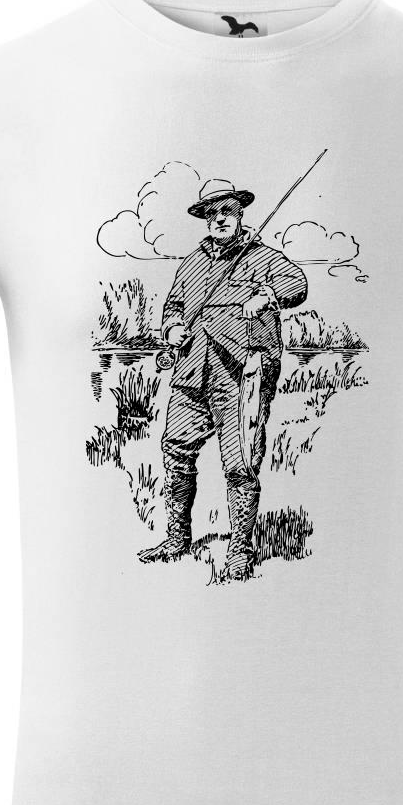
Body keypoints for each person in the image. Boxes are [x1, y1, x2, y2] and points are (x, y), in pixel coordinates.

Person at [138, 179, 308, 578]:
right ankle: (176, 539)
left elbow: (297, 285)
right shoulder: (192, 263)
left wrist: (266, 296)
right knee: (175, 449)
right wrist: (172, 327)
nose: (219, 219)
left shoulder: (263, 257)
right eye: (211, 214)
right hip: (191, 372)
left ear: (240, 214)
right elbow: (174, 304)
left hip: (241, 375)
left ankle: (239, 551)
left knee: (240, 463)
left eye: (226, 211)